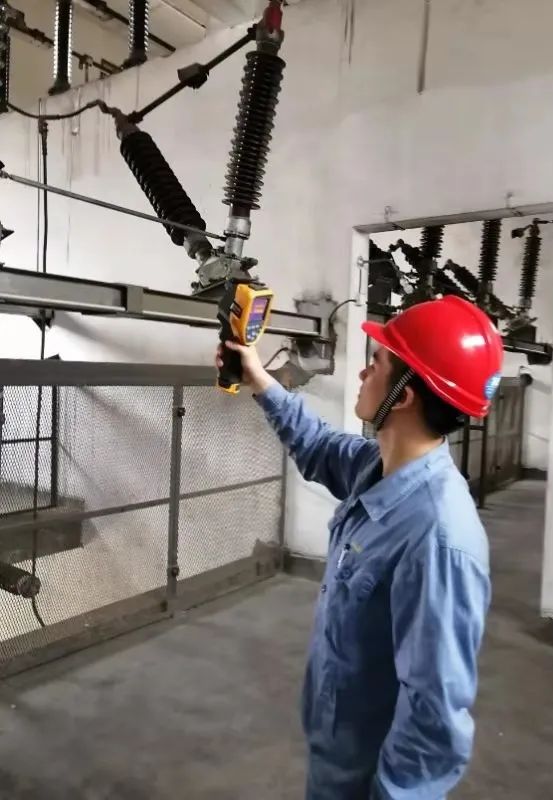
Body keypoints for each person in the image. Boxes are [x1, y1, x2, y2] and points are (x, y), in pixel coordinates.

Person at [217, 294, 504, 800]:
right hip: (337, 746)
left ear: (404, 396)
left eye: (376, 363)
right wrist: (259, 378)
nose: (363, 373)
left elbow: (435, 713)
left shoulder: (438, 539)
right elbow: (318, 446)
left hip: (369, 776)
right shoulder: (380, 467)